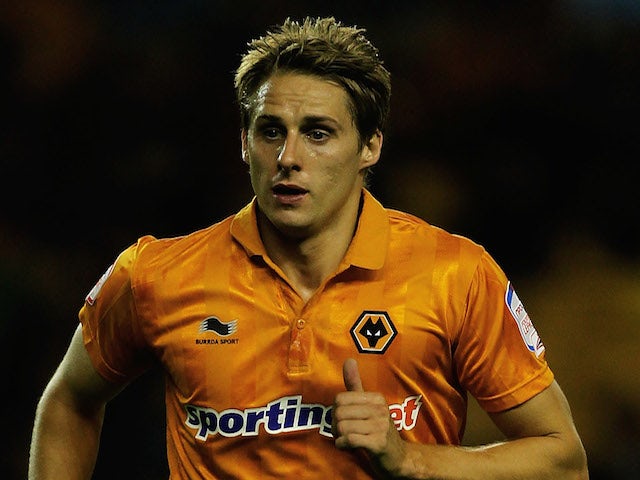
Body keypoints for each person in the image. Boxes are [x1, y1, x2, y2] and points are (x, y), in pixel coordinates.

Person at [29, 16, 589, 479]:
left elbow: (562, 458)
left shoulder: (455, 273)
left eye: (318, 132)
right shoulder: (155, 273)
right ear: (243, 143)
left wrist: (412, 458)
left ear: (370, 145)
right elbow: (70, 401)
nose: (288, 156)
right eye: (270, 131)